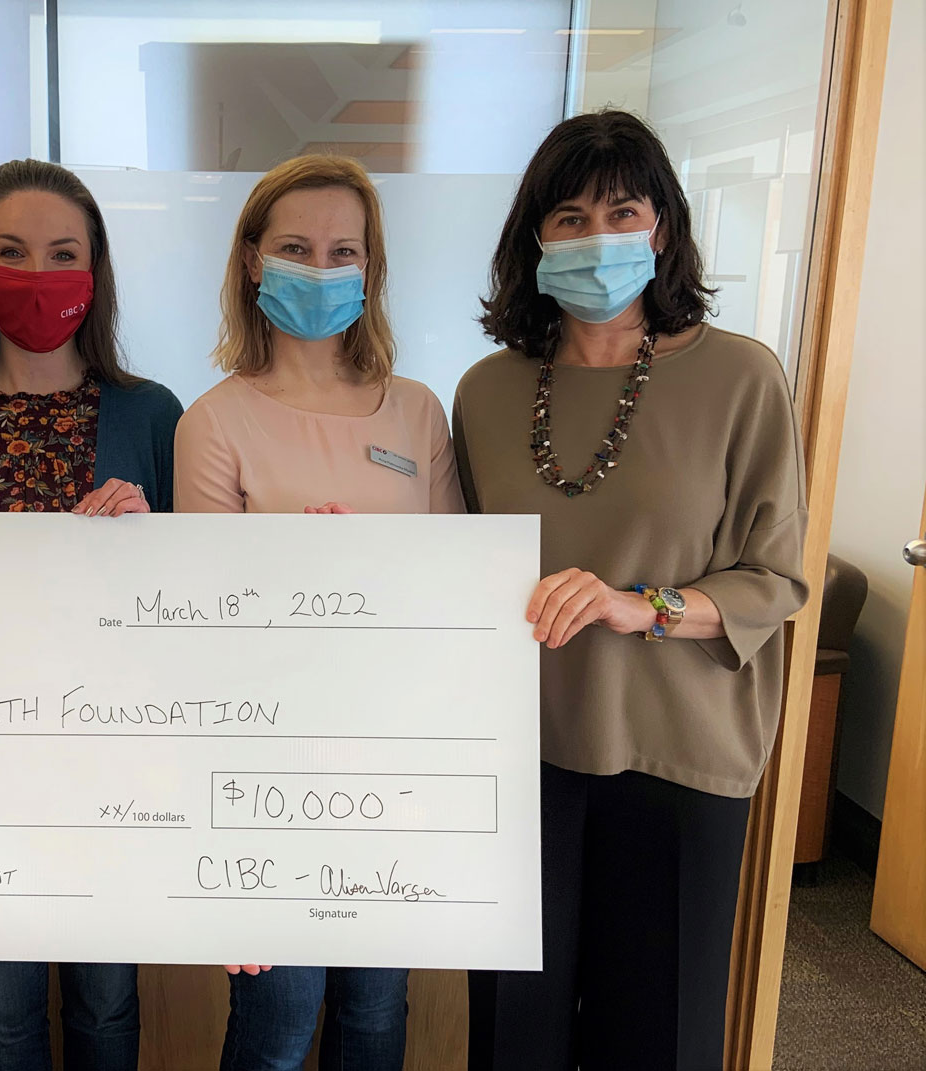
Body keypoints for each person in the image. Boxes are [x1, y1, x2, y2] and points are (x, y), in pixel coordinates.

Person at [454, 110, 809, 1071]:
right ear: (534, 239)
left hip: (679, 756)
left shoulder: (741, 377)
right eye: (569, 217)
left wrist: (635, 604)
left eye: (622, 213)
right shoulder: (486, 390)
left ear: (664, 229)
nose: (596, 237)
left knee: (657, 1039)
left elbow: (775, 578)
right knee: (513, 1038)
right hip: (521, 756)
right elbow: (459, 565)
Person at [0, 158, 182, 1070]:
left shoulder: (152, 414)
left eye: (62, 253)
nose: (38, 274)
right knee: (2, 1018)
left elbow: (193, 605)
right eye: (11, 252)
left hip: (111, 761)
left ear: (95, 270)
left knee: (106, 1006)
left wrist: (149, 533)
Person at [175, 154, 464, 1070]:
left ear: (370, 268)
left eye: (344, 251)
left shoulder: (418, 412)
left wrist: (368, 578)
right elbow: (204, 631)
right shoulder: (213, 421)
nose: (321, 266)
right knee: (279, 1021)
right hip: (272, 770)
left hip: (393, 760)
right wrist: (293, 583)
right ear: (252, 259)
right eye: (296, 248)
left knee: (375, 1015)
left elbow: (452, 593)